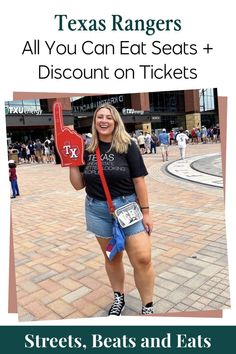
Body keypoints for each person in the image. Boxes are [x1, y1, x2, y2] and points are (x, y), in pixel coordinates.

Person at [69, 104, 155, 316]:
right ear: (95, 121)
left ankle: (148, 306)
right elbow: (78, 185)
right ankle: (119, 297)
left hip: (128, 209)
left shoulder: (128, 146)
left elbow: (139, 181)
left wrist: (146, 212)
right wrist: (71, 162)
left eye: (109, 117)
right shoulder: (87, 149)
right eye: (100, 117)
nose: (104, 120)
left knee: (142, 258)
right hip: (97, 210)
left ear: (116, 121)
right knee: (112, 257)